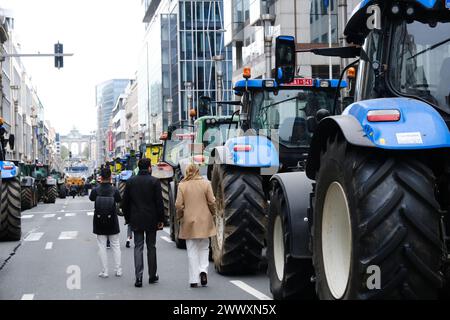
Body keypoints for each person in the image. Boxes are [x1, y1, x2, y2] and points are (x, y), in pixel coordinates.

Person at [121, 158, 164, 288]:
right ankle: (152, 276)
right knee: (151, 247)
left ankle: (138, 278)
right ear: (149, 167)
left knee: (138, 247)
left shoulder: (130, 182)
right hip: (151, 220)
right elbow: (159, 203)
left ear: (139, 168)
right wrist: (161, 220)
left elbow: (124, 204)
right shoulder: (154, 182)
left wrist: (128, 219)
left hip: (136, 219)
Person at [175, 163, 216, 288]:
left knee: (192, 250)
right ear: (198, 171)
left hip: (189, 222)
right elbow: (212, 201)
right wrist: (213, 213)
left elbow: (178, 205)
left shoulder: (182, 185)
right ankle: (203, 271)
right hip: (205, 220)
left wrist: (180, 215)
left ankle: (193, 279)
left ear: (187, 172)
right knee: (204, 247)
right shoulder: (206, 184)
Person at [89, 167, 122, 278]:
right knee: (115, 245)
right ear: (110, 177)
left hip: (99, 220)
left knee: (102, 246)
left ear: (101, 178)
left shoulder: (96, 190)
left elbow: (91, 198)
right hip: (112, 220)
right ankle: (118, 270)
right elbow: (118, 200)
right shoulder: (114, 190)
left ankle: (105, 271)